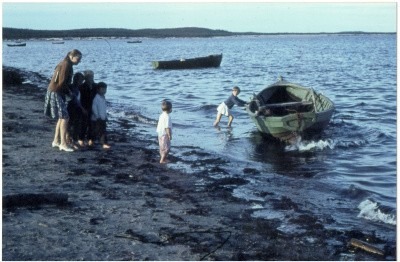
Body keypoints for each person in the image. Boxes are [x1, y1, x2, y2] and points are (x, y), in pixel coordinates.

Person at [44, 49, 82, 152]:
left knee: (62, 117)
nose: (79, 61)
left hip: (54, 91)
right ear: (71, 56)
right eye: (78, 59)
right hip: (56, 92)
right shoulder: (66, 65)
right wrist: (70, 93)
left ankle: (56, 141)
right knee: (65, 117)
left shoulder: (64, 63)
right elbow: (62, 83)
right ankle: (63, 144)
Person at [67, 72, 86, 148]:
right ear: (76, 80)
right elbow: (75, 100)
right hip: (72, 107)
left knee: (75, 124)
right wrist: (82, 108)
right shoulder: (73, 88)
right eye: (81, 80)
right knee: (72, 124)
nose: (81, 82)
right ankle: (70, 139)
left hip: (75, 108)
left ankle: (72, 139)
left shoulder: (77, 87)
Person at [79, 70, 97, 146]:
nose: (91, 78)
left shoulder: (95, 86)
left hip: (93, 106)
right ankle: (81, 139)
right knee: (83, 124)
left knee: (92, 124)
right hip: (84, 106)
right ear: (85, 78)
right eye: (89, 77)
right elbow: (79, 98)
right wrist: (82, 108)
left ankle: (91, 139)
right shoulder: (82, 87)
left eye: (92, 76)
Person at [90, 82, 111, 149]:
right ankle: (92, 140)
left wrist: (106, 116)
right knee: (95, 131)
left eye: (105, 89)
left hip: (103, 118)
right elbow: (94, 108)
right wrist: (97, 116)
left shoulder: (103, 97)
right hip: (97, 118)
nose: (104, 91)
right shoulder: (96, 98)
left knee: (103, 131)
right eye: (103, 89)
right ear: (98, 89)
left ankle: (104, 143)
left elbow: (104, 108)